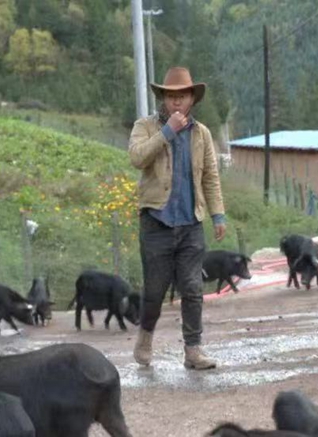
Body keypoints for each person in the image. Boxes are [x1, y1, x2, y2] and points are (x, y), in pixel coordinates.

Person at [128, 66, 226, 370]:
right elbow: (137, 157)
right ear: (163, 99)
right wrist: (167, 132)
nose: (177, 102)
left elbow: (210, 177)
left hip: (190, 223)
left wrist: (218, 215)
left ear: (192, 99)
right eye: (171, 96)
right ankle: (145, 337)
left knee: (193, 289)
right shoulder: (145, 126)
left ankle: (193, 350)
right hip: (156, 222)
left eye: (182, 96)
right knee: (155, 290)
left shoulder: (202, 133)